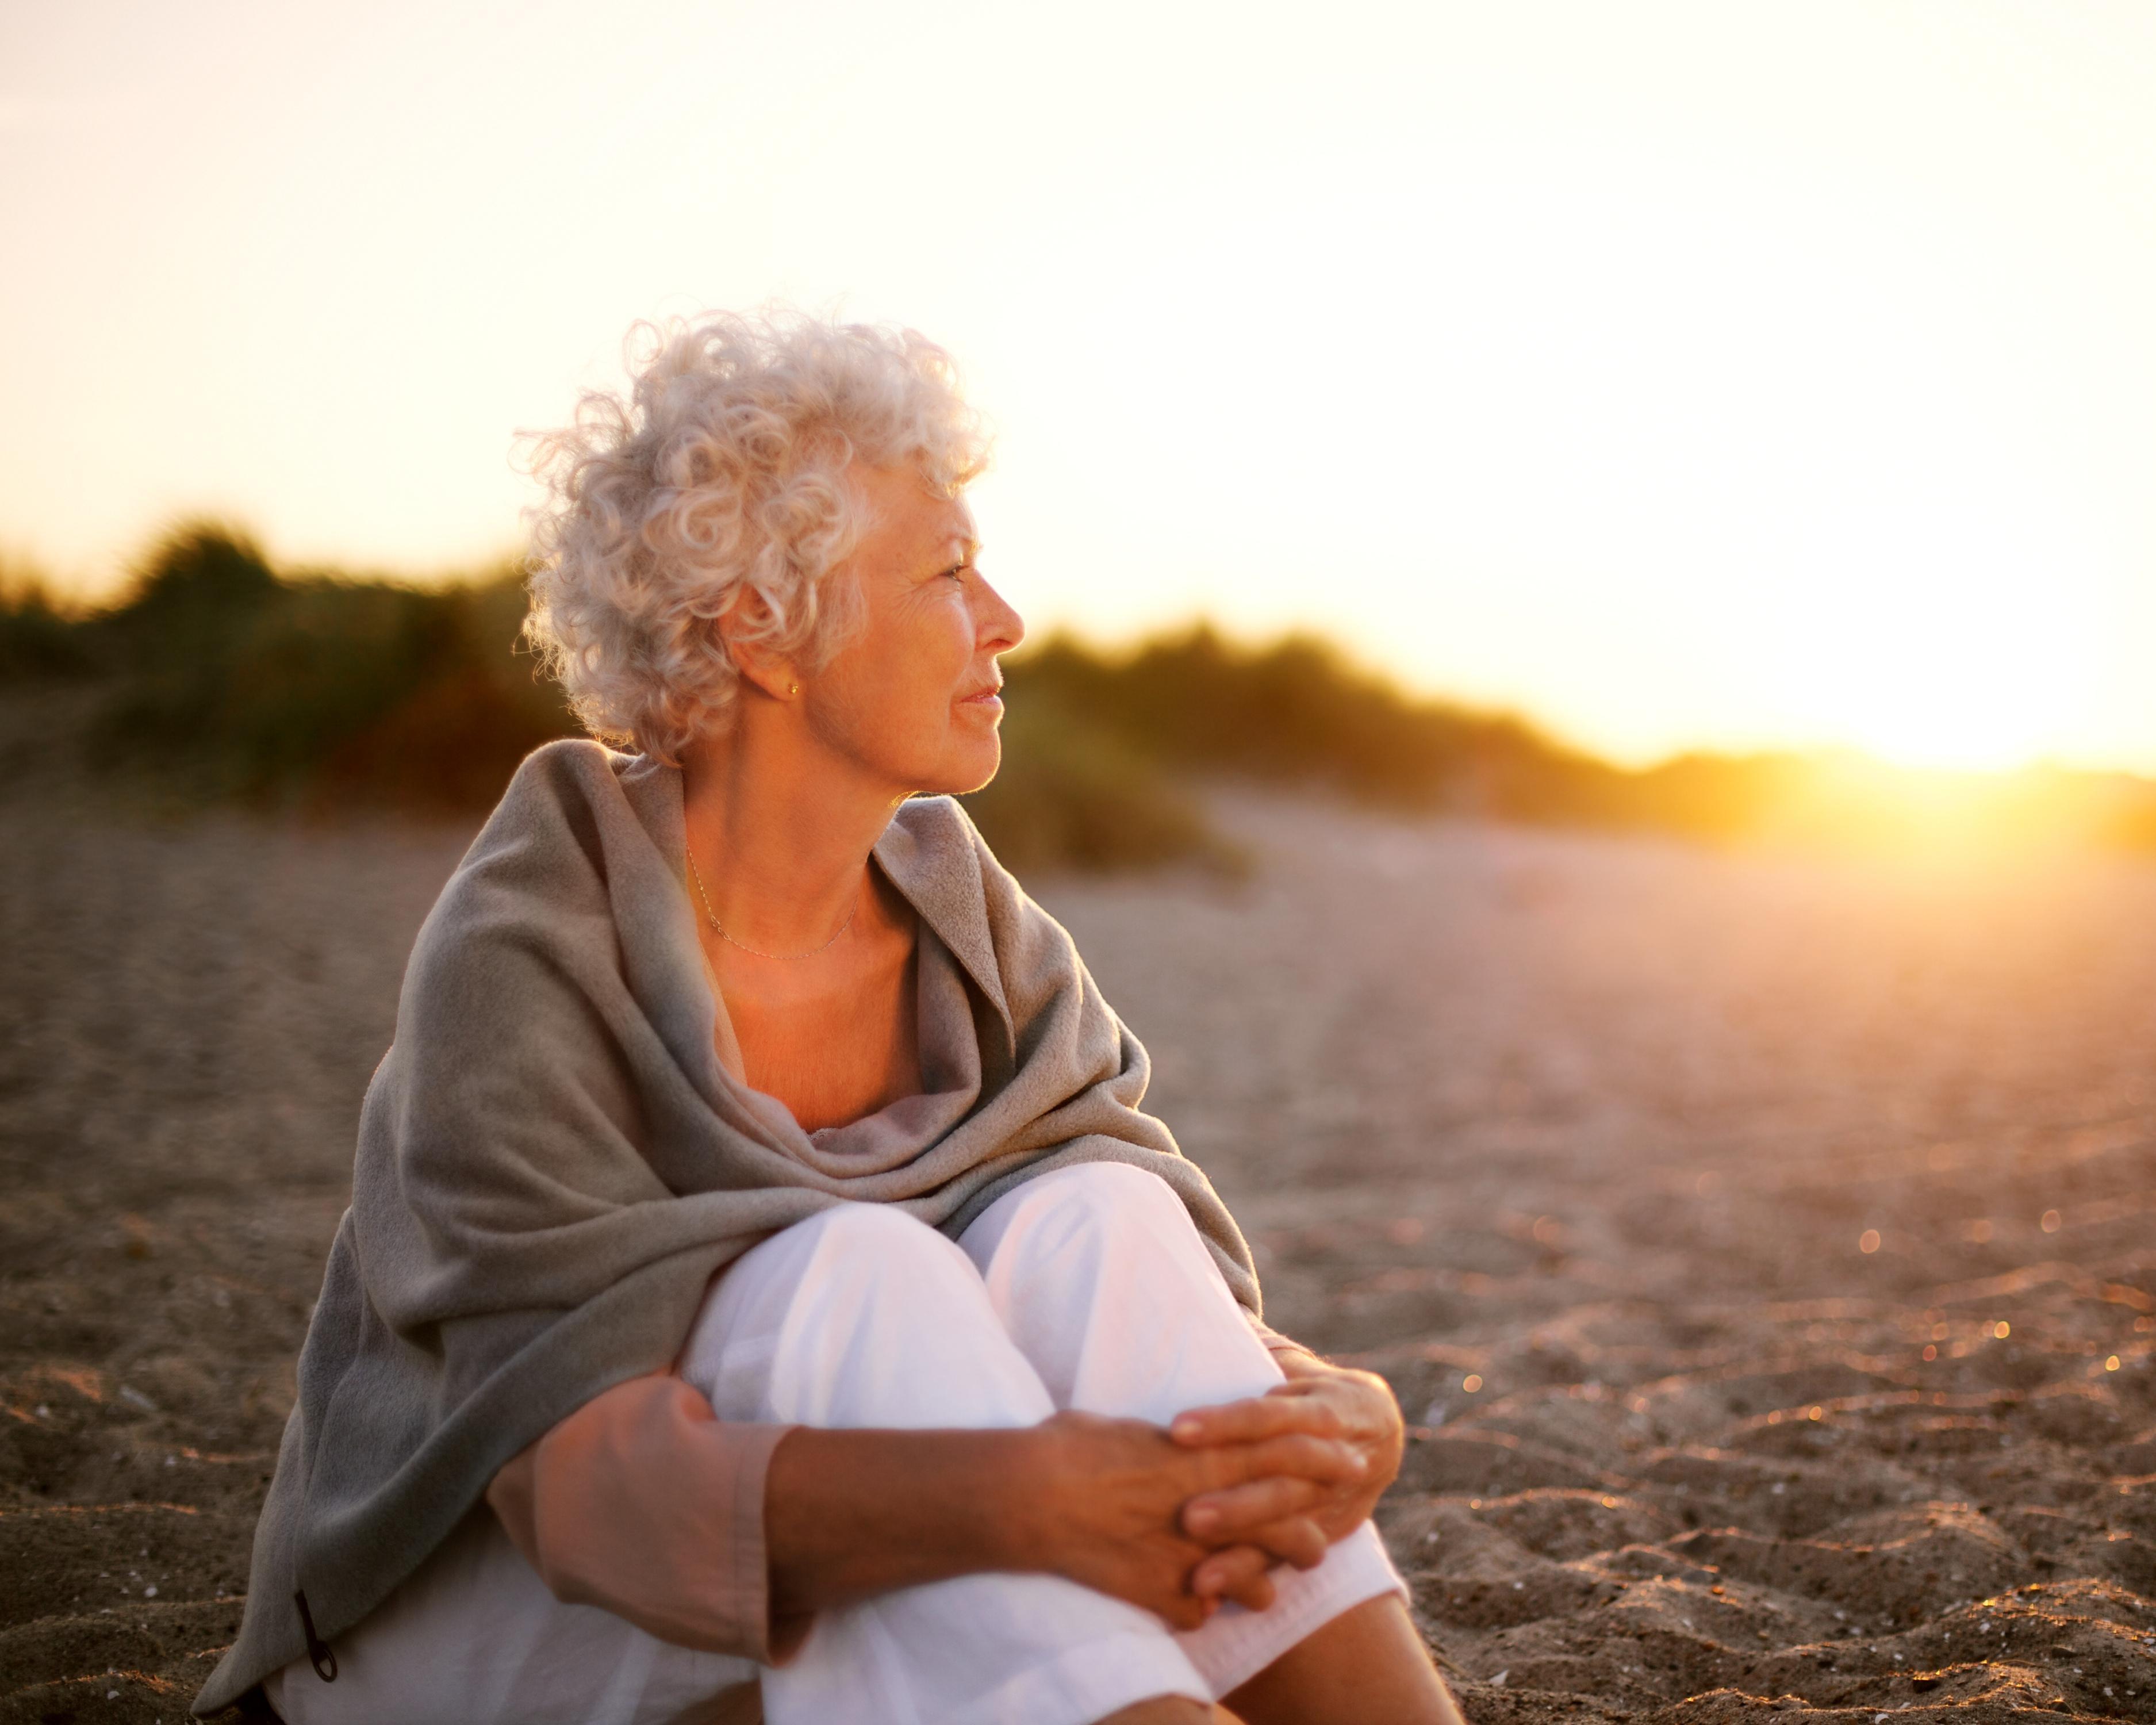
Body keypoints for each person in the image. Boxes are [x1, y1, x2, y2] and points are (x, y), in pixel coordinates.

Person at [195, 313, 1464, 1725]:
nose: (1005, 619)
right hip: (477, 1622)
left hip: (842, 1556)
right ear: (763, 629)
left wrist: (1336, 1412)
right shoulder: (535, 942)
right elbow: (580, 1493)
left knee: (1096, 1217)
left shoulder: (963, 920)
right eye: (946, 571)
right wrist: (1022, 1501)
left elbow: (1139, 1306)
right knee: (859, 1267)